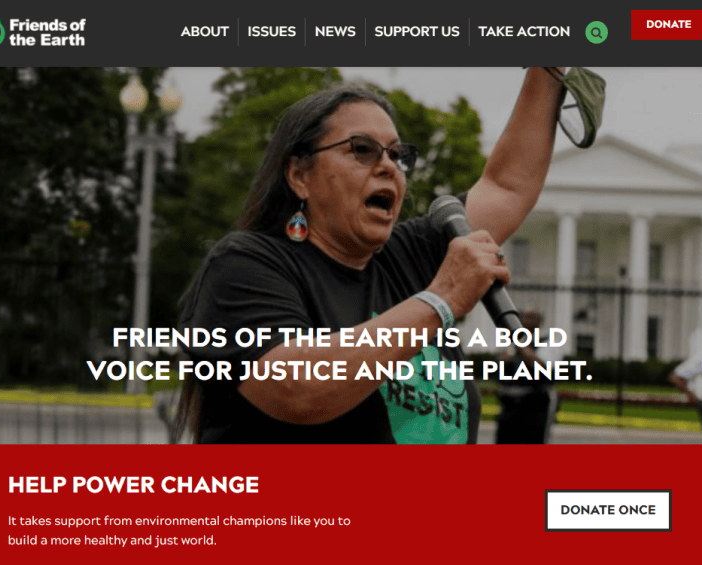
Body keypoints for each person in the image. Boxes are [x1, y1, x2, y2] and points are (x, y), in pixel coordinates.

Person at [175, 73, 566, 443]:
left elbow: (507, 185)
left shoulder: (411, 258)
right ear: (299, 175)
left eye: (397, 155)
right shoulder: (244, 265)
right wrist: (441, 299)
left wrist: (548, 64)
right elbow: (296, 387)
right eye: (362, 150)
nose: (387, 167)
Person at [496, 310, 559, 444]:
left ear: (539, 322)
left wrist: (519, 345)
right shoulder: (513, 344)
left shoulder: (546, 343)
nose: (525, 320)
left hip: (535, 405)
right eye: (524, 317)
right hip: (510, 405)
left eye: (531, 317)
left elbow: (540, 366)